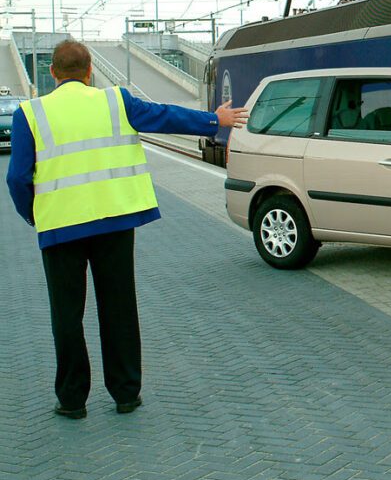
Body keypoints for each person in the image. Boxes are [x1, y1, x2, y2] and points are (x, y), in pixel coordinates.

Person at [5, 40, 248, 419]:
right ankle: (125, 393)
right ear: (89, 72)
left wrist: (34, 215)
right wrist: (215, 120)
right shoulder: (116, 101)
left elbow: (17, 178)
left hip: (60, 228)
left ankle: (72, 400)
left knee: (67, 314)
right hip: (114, 222)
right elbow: (164, 116)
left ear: (52, 73)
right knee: (118, 307)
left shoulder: (30, 114)